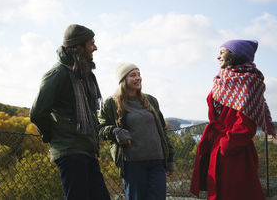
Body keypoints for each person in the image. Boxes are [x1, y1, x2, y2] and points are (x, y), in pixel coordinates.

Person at [30, 24, 111, 200]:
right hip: (70, 151)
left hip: (87, 149)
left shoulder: (83, 73)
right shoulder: (58, 73)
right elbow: (37, 113)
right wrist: (54, 134)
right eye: (91, 44)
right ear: (78, 47)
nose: (95, 48)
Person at [190, 39, 276, 200]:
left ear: (235, 55)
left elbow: (246, 125)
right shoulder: (222, 79)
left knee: (235, 193)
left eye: (222, 52)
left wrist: (226, 146)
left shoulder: (249, 81)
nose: (218, 57)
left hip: (235, 152)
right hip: (218, 147)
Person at [98, 62, 174, 200]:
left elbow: (162, 130)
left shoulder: (151, 100)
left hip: (157, 162)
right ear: (123, 80)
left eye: (139, 74)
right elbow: (100, 128)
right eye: (133, 75)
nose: (138, 78)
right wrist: (116, 131)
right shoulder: (111, 103)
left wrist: (169, 159)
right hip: (132, 164)